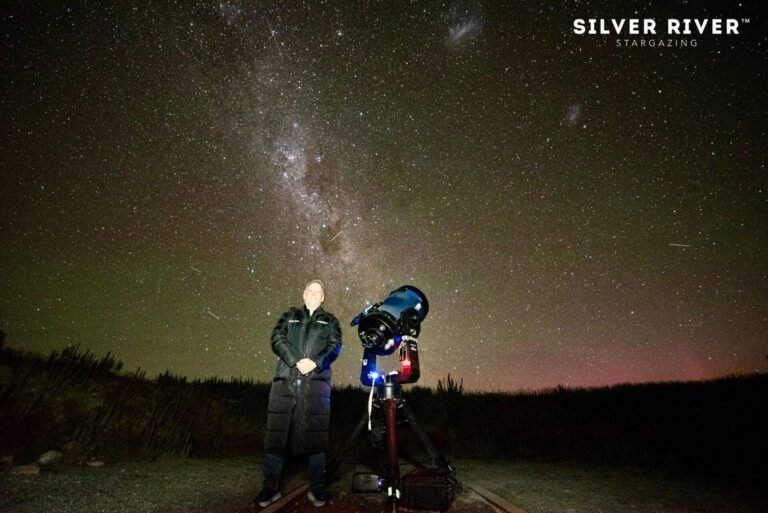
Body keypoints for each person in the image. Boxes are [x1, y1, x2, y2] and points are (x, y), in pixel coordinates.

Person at [256, 279, 342, 508]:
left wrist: (314, 362)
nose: (314, 294)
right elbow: (276, 338)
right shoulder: (289, 315)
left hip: (316, 384)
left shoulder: (330, 320)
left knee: (317, 439)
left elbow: (335, 347)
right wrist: (296, 360)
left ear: (323, 297)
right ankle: (270, 488)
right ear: (304, 294)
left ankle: (317, 489)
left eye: (318, 292)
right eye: (310, 290)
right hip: (285, 381)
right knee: (276, 437)